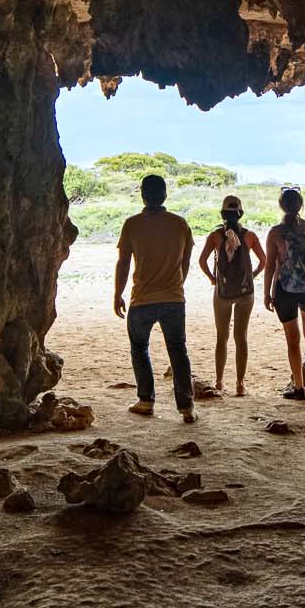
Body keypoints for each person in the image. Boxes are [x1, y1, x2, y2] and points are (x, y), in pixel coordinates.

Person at [113, 174, 196, 422]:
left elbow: (123, 262)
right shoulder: (180, 224)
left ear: (142, 195)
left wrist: (117, 293)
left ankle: (146, 401)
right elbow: (185, 261)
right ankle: (186, 407)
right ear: (165, 195)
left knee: (139, 348)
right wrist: (176, 284)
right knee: (178, 351)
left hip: (142, 299)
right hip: (173, 298)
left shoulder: (132, 224)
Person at [196, 195, 267, 396]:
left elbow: (202, 261)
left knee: (222, 338)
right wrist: (251, 276)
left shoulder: (215, 236)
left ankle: (219, 381)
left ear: (222, 214)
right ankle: (240, 384)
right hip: (245, 293)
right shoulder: (250, 236)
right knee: (241, 337)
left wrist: (213, 279)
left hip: (223, 292)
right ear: (240, 213)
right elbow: (263, 260)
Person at [262, 186, 305, 400]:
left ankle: (299, 387)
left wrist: (267, 293)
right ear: (300, 205)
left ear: (281, 206)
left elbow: (270, 266)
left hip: (285, 289)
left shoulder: (275, 233)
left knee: (292, 337)